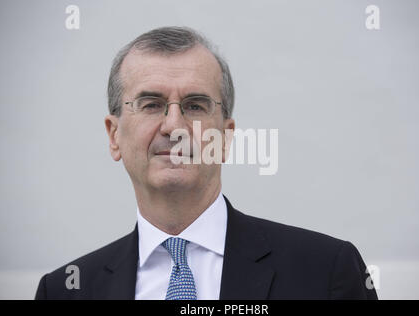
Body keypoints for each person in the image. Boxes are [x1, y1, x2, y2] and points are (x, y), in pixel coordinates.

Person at [35, 26, 378, 300]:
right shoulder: (65, 291)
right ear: (114, 136)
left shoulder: (326, 271)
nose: (173, 126)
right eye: (151, 104)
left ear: (226, 138)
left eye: (196, 105)